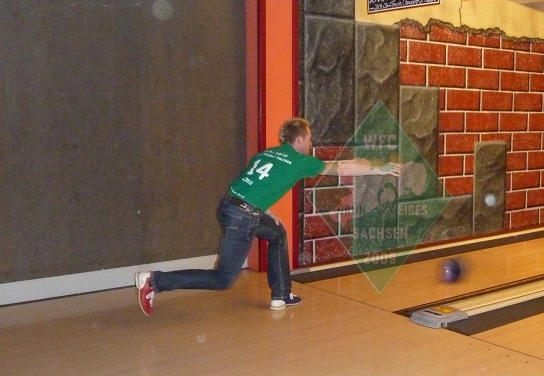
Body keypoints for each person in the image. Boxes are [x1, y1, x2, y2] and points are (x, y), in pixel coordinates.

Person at [135, 117, 400, 315]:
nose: (311, 144)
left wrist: (266, 211)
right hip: (242, 217)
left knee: (277, 233)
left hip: (229, 204)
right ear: (299, 140)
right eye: (309, 139)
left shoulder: (267, 154)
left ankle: (281, 295)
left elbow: (254, 185)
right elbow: (343, 167)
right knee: (223, 279)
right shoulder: (300, 161)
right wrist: (380, 169)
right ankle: (155, 281)